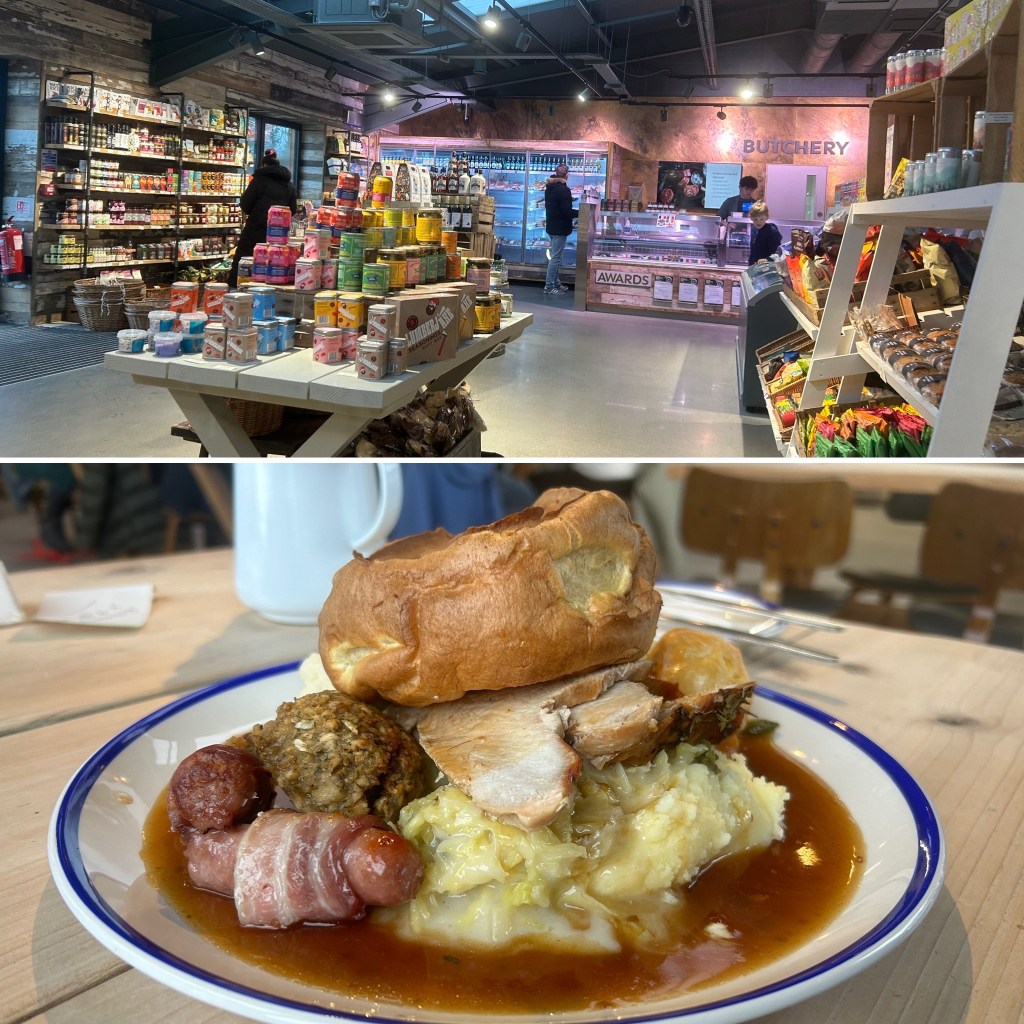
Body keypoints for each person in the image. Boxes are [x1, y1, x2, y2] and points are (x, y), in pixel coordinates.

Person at [228, 149, 298, 288]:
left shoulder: (258, 181)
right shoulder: (289, 185)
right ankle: (269, 291)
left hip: (255, 230)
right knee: (275, 264)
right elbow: (293, 210)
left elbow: (245, 205)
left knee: (246, 260)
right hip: (278, 237)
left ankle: (238, 290)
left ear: (264, 166)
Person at [543, 163, 576, 295]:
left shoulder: (549, 187)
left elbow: (555, 206)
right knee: (556, 258)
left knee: (557, 256)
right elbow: (566, 210)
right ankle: (549, 286)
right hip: (560, 227)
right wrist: (580, 213)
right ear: (567, 175)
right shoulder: (564, 190)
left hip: (551, 225)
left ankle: (556, 283)